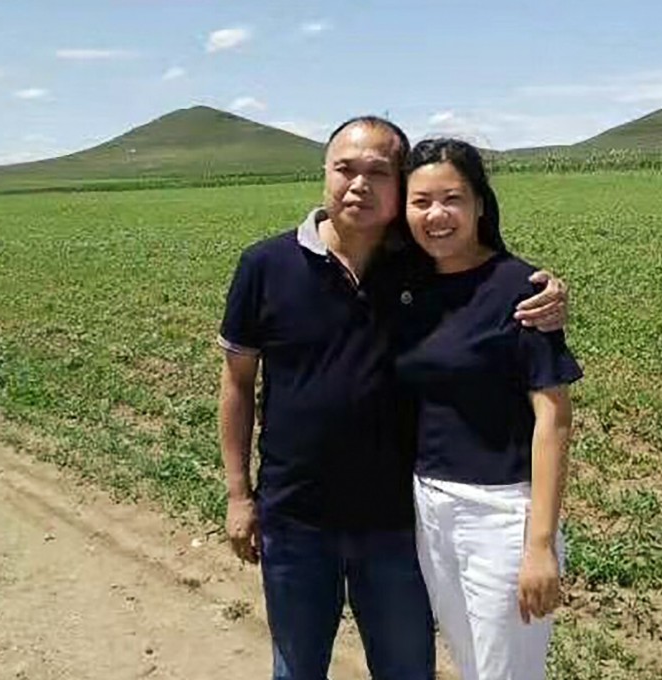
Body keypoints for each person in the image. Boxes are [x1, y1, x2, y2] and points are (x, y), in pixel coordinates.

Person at [216, 117, 568, 680]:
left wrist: (547, 291)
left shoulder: (418, 269)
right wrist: (239, 494)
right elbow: (237, 383)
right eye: (345, 169)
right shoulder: (266, 265)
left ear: (397, 186)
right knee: (296, 666)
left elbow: (486, 280)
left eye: (378, 173)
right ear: (323, 175)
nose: (359, 184)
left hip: (397, 522)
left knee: (407, 669)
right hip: (296, 516)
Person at [394, 138, 582, 680]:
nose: (437, 215)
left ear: (480, 203)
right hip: (428, 506)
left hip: (502, 516)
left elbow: (553, 417)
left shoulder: (519, 291)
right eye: (421, 201)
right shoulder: (407, 287)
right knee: (472, 663)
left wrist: (540, 544)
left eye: (452, 198)